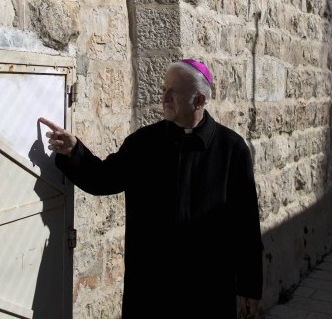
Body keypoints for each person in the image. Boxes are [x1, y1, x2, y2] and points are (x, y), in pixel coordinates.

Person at [40, 59, 263, 319]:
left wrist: (249, 287)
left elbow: (246, 224)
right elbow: (102, 178)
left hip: (207, 288)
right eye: (164, 89)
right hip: (151, 285)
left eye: (174, 92)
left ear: (199, 99)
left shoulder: (232, 150)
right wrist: (73, 151)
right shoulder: (144, 143)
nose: (164, 97)